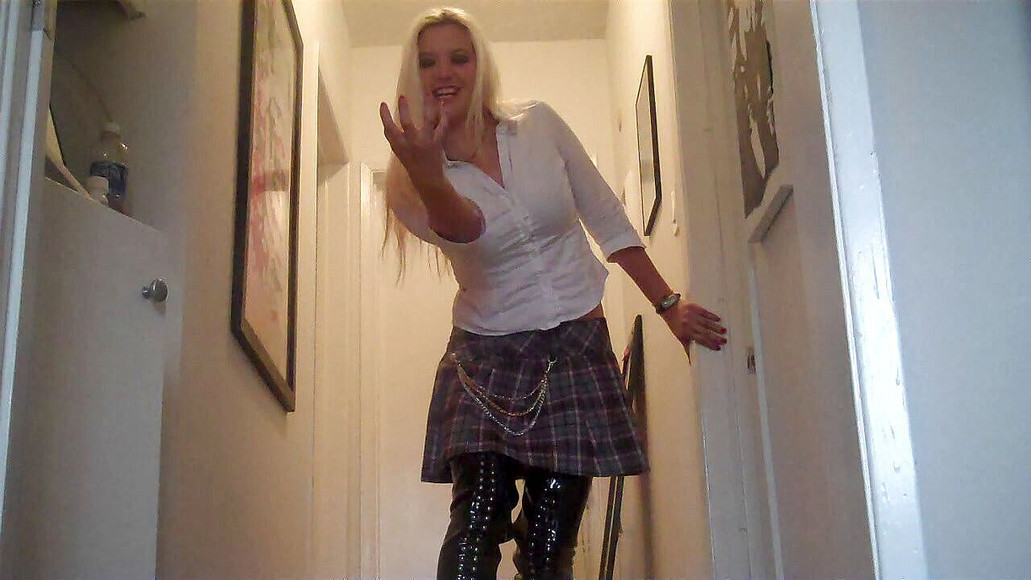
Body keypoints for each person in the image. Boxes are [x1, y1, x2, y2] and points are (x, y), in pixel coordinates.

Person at [378, 7, 728, 579]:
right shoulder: (406, 184)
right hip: (485, 355)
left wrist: (669, 306)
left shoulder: (537, 124)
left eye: (459, 57)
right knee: (478, 514)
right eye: (428, 62)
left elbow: (605, 214)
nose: (444, 72)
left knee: (550, 537)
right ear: (411, 76)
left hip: (575, 346)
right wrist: (428, 175)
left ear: (480, 64)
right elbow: (467, 229)